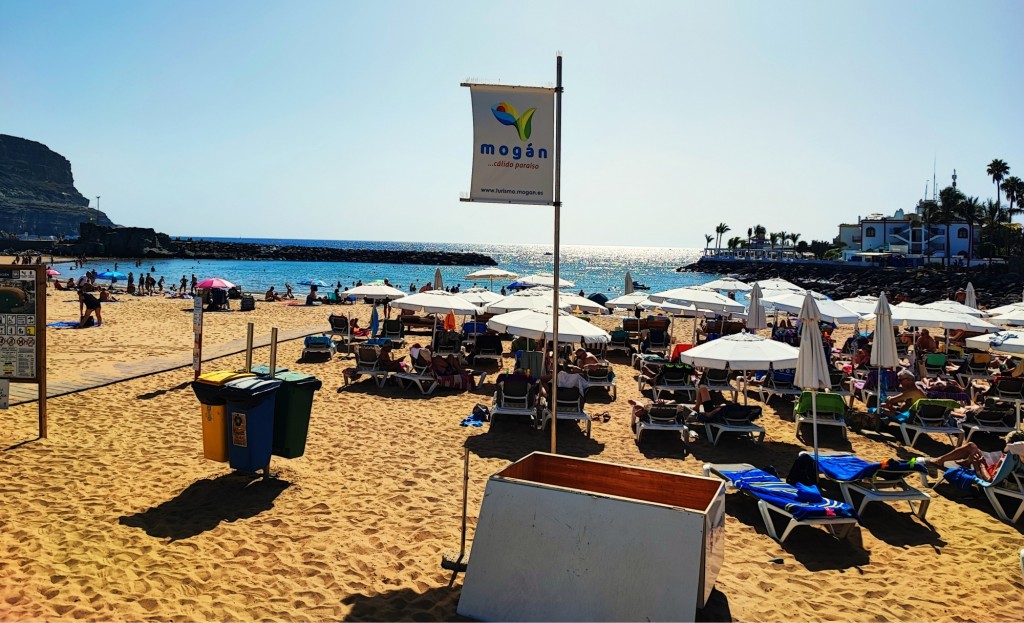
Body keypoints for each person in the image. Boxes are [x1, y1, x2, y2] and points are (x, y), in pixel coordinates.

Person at [925, 430, 1024, 481]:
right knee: (975, 450)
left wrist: (980, 465)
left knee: (971, 446)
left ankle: (940, 460)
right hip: (1001, 472)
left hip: (985, 473)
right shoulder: (1019, 458)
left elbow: (989, 479)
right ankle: (967, 461)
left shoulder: (1009, 457)